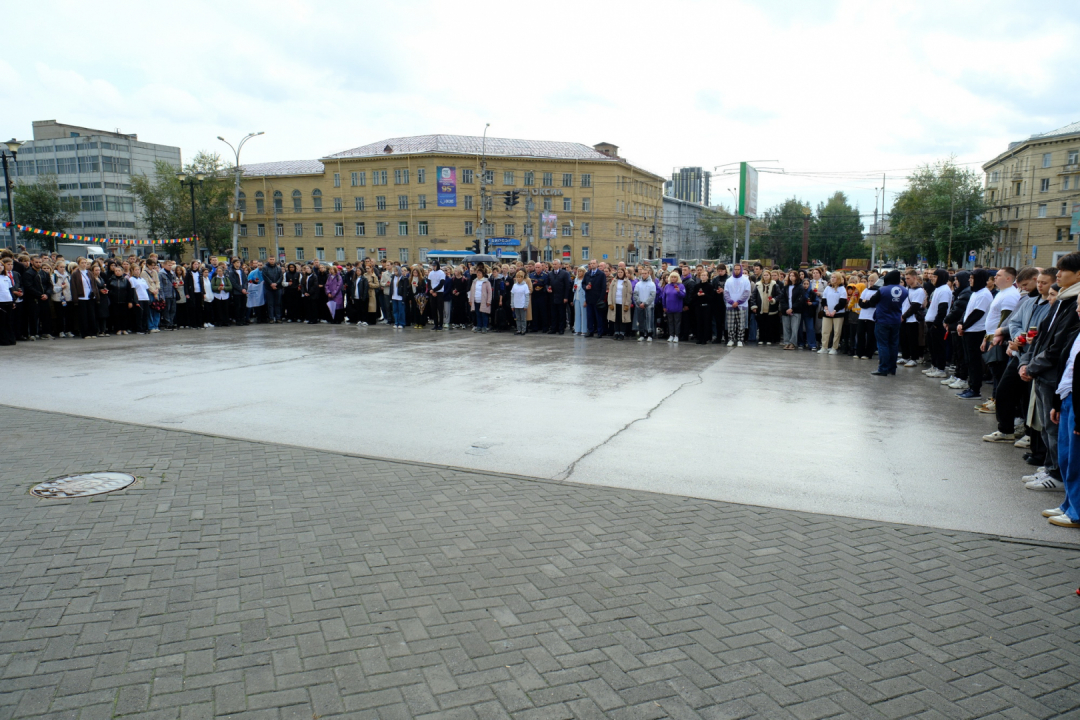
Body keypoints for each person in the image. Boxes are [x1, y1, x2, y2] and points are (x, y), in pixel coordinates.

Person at [956, 269, 994, 399]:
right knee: (969, 361)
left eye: (972, 278)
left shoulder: (984, 294)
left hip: (976, 331)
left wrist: (964, 326)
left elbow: (977, 314)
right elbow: (967, 311)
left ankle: (975, 389)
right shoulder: (975, 293)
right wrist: (961, 323)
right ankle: (971, 385)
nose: (969, 280)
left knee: (974, 362)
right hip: (968, 330)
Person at [862, 270, 908, 376]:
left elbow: (872, 301)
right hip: (896, 319)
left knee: (883, 345)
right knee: (893, 344)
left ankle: (883, 368)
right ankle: (892, 368)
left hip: (882, 319)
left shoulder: (883, 289)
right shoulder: (904, 290)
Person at [923, 269, 953, 378]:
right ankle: (934, 366)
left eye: (935, 277)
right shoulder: (938, 289)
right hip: (932, 322)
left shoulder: (944, 290)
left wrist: (936, 323)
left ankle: (940, 369)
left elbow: (943, 308)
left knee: (939, 347)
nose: (932, 279)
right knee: (933, 347)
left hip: (938, 323)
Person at [819, 271, 847, 355]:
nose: (833, 279)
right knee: (825, 331)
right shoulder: (828, 288)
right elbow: (824, 300)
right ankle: (824, 347)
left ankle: (834, 348)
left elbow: (842, 302)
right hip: (827, 313)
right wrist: (826, 310)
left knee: (837, 331)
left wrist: (835, 310)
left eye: (834, 277)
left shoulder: (842, 289)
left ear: (838, 279)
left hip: (838, 313)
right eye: (832, 277)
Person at [723, 263, 751, 347]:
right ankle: (731, 339)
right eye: (735, 269)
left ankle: (740, 339)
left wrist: (738, 302)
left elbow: (747, 293)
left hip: (741, 305)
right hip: (730, 305)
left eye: (738, 269)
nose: (737, 271)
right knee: (730, 324)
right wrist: (731, 302)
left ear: (741, 270)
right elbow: (726, 293)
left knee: (741, 324)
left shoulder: (745, 280)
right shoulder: (729, 280)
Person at [689, 267, 713, 345]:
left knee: (706, 322)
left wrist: (704, 295)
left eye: (704, 275)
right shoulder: (697, 286)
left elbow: (712, 298)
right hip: (698, 307)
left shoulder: (710, 286)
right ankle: (699, 338)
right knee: (698, 322)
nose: (703, 276)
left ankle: (705, 338)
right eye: (702, 275)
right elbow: (693, 296)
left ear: (707, 277)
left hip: (706, 307)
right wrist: (697, 295)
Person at [583, 259, 607, 338]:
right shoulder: (587, 274)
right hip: (589, 298)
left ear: (597, 264)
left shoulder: (601, 274)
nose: (592, 265)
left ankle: (600, 332)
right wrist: (585, 287)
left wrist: (601, 298)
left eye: (594, 263)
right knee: (590, 316)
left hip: (597, 299)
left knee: (598, 317)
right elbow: (583, 283)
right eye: (591, 263)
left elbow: (603, 287)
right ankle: (590, 331)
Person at [661, 272, 686, 343]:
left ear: (678, 278)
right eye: (672, 277)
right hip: (669, 307)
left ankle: (677, 335)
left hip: (677, 307)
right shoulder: (667, 286)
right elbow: (664, 297)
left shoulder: (681, 286)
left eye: (675, 277)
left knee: (677, 322)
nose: (673, 278)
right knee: (670, 322)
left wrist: (678, 291)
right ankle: (671, 335)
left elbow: (683, 295)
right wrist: (664, 306)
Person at [633, 265, 657, 342]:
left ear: (649, 274)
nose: (644, 275)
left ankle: (650, 334)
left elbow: (652, 295)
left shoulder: (652, 284)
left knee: (649, 320)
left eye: (645, 273)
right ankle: (642, 334)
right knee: (641, 320)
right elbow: (635, 294)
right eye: (642, 273)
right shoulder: (638, 284)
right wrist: (639, 303)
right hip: (640, 305)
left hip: (649, 305)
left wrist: (645, 303)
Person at [548, 259, 572, 335]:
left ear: (559, 265)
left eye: (555, 264)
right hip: (553, 297)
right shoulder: (550, 274)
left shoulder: (564, 273)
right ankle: (554, 328)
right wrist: (548, 288)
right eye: (553, 264)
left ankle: (561, 329)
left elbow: (567, 286)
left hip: (561, 297)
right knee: (553, 314)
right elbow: (547, 283)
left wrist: (566, 297)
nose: (554, 266)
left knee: (561, 314)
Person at [469, 265, 492, 332]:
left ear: (483, 274)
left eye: (480, 273)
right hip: (476, 300)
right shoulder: (474, 281)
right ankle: (479, 326)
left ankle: (484, 326)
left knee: (484, 314)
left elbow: (489, 292)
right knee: (478, 314)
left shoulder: (486, 282)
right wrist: (470, 300)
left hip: (484, 301)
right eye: (477, 273)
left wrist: (489, 301)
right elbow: (472, 291)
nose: (478, 274)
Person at [262, 256, 284, 323]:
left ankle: (278, 317)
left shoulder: (278, 268)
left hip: (277, 288)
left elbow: (281, 277)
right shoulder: (265, 268)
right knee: (270, 304)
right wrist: (271, 284)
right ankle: (271, 318)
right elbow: (265, 276)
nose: (272, 261)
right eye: (270, 259)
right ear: (268, 260)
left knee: (278, 303)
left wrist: (276, 284)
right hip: (269, 288)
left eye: (273, 259)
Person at [0, 259, 16, 346]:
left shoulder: (6, 277)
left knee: (8, 321)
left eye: (2, 265)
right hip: (1, 302)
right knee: (2, 322)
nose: (0, 267)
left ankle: (11, 339)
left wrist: (13, 301)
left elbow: (10, 290)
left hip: (8, 301)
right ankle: (3, 340)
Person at [228, 259, 248, 326]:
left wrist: (245, 288)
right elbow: (233, 283)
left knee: (243, 306)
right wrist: (241, 289)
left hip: (243, 291)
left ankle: (243, 319)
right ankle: (238, 320)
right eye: (237, 262)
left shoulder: (242, 271)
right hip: (237, 292)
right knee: (237, 306)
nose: (238, 264)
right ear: (233, 263)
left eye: (239, 262)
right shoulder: (231, 272)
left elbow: (245, 280)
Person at [427, 261, 446, 330]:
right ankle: (435, 324)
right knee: (433, 309)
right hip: (432, 293)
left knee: (440, 309)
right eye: (433, 266)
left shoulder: (441, 273)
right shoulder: (431, 273)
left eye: (435, 266)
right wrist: (431, 290)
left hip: (439, 292)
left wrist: (434, 290)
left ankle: (440, 324)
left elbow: (441, 284)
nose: (434, 267)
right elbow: (429, 283)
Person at [511, 270, 530, 335]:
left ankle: (523, 330)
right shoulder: (514, 285)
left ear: (522, 278)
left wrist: (526, 305)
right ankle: (518, 329)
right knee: (518, 318)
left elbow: (527, 296)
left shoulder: (525, 286)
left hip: (522, 304)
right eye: (517, 277)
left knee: (523, 318)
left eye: (520, 277)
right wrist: (512, 305)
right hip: (516, 304)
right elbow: (512, 295)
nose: (518, 278)